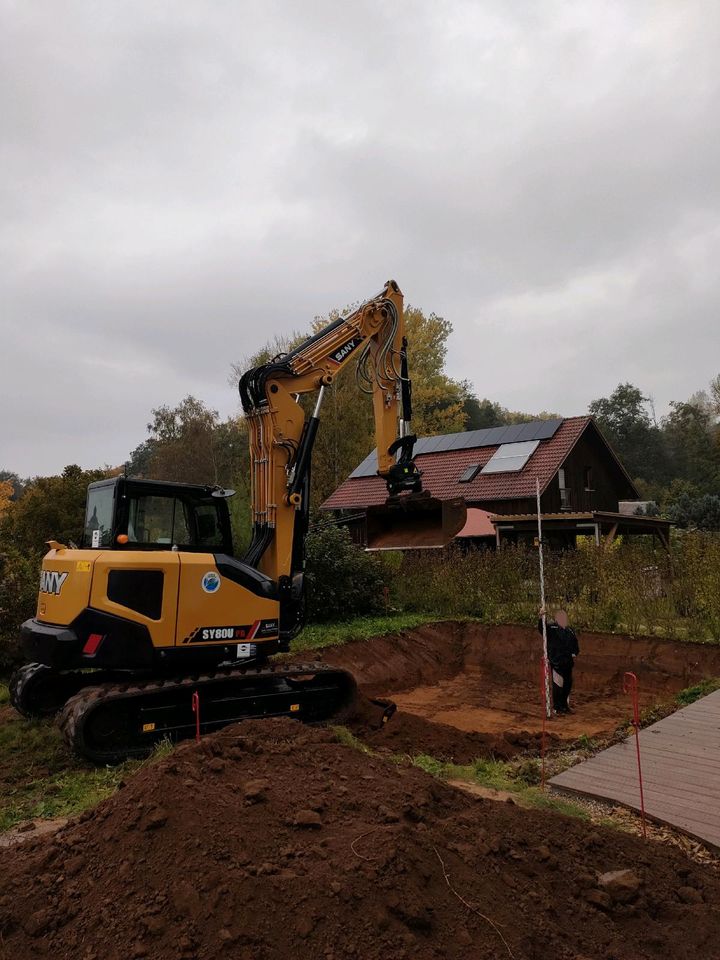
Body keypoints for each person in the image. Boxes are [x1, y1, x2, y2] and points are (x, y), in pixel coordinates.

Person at [538, 607, 579, 715]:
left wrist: (575, 652)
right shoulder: (552, 627)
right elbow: (542, 629)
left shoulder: (569, 630)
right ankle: (557, 707)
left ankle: (564, 706)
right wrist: (541, 617)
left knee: (568, 684)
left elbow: (574, 643)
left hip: (568, 662)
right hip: (557, 661)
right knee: (558, 685)